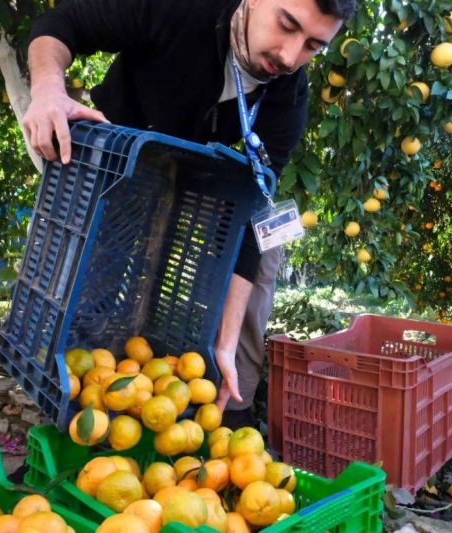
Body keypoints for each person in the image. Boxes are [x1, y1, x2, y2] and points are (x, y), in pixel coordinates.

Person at [23, 0, 355, 428]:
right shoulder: (183, 8)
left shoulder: (289, 91)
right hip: (121, 164)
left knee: (267, 252)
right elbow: (61, 24)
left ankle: (229, 405)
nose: (290, 56)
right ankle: (70, 407)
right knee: (91, 285)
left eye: (313, 44)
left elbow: (256, 202)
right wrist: (48, 90)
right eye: (286, 24)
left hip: (195, 179)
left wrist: (225, 341)